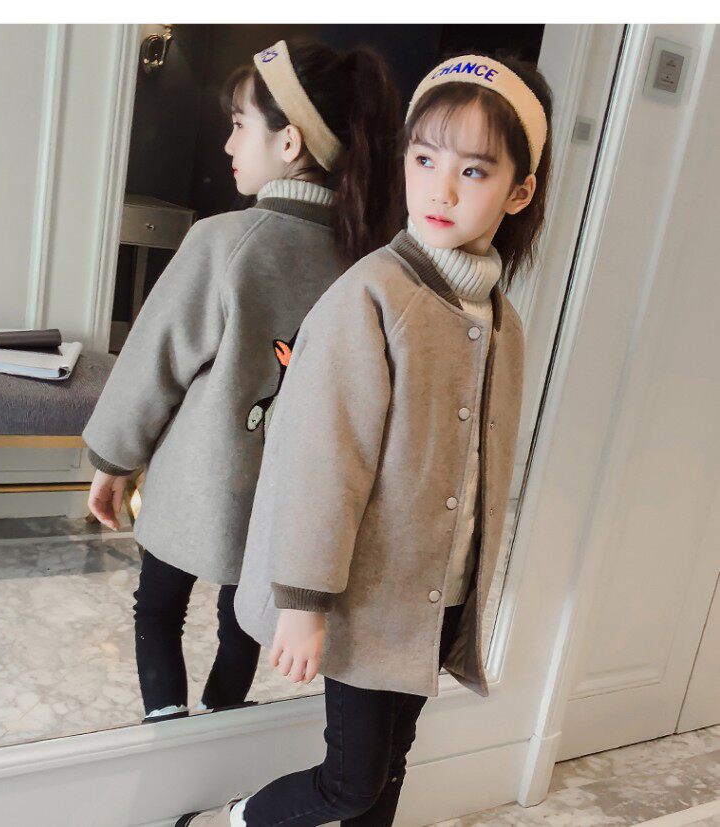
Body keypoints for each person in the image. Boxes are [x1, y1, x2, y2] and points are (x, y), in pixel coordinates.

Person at [177, 49, 554, 826]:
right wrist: (303, 600)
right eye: (424, 158)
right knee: (351, 780)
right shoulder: (372, 295)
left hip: (436, 595)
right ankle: (234, 819)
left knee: (392, 762)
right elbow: (322, 462)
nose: (441, 188)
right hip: (363, 597)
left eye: (474, 170)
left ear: (519, 191)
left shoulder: (501, 322)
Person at [83, 37, 401, 723]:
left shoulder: (225, 240)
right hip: (289, 501)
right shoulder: (366, 261)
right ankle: (220, 727)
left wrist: (112, 460)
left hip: (198, 485)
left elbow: (152, 363)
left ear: (289, 142)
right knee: (243, 622)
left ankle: (167, 733)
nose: (228, 144)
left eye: (238, 125)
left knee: (158, 608)